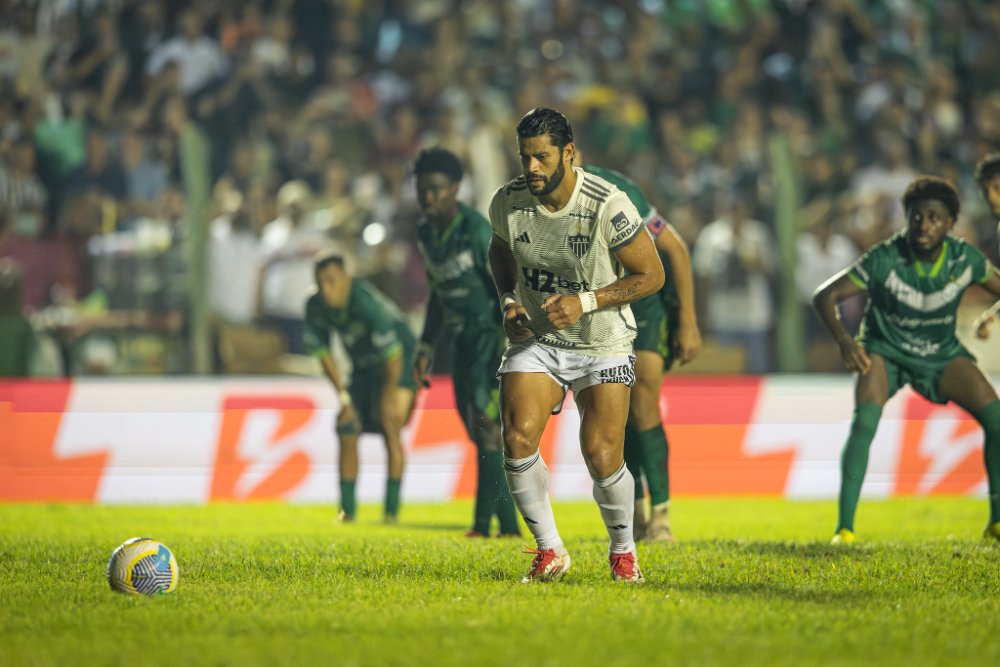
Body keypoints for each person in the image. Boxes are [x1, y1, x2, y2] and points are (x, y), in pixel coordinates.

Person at [488, 108, 665, 583]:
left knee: (602, 453)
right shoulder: (508, 201)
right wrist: (509, 301)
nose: (532, 168)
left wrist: (586, 301)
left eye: (542, 157)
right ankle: (550, 552)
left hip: (602, 340)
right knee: (516, 435)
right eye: (525, 157)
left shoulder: (608, 203)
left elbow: (652, 275)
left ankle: (623, 551)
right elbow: (500, 249)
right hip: (539, 339)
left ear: (568, 153)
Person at [812, 176, 1000, 544]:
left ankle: (996, 522)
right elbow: (825, 296)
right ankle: (844, 529)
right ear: (907, 217)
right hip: (885, 351)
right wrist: (845, 341)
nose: (924, 225)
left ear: (949, 224)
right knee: (864, 423)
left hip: (941, 355)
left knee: (996, 421)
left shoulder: (965, 259)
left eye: (934, 218)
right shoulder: (885, 257)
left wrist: (990, 314)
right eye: (916, 216)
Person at [582, 163, 701, 543]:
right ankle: (636, 513)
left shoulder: (619, 191)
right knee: (618, 411)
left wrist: (687, 320)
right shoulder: (545, 207)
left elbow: (675, 248)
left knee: (644, 400)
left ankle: (662, 516)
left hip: (646, 306)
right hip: (605, 310)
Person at [410, 147, 521, 539]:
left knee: (488, 429)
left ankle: (480, 527)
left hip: (488, 338)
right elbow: (438, 295)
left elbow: (505, 285)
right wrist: (425, 347)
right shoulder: (425, 232)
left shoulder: (476, 230)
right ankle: (509, 529)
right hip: (459, 341)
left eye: (437, 189)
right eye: (423, 190)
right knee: (479, 432)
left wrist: (508, 342)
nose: (429, 197)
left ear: (456, 189)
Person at [304, 255, 417, 523]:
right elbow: (324, 355)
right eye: (320, 283)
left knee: (390, 422)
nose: (325, 289)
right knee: (347, 426)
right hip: (364, 368)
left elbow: (394, 354)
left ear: (346, 279)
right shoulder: (315, 305)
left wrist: (390, 396)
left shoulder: (365, 303)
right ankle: (348, 514)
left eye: (331, 281)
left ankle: (390, 514)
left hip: (401, 362)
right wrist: (344, 398)